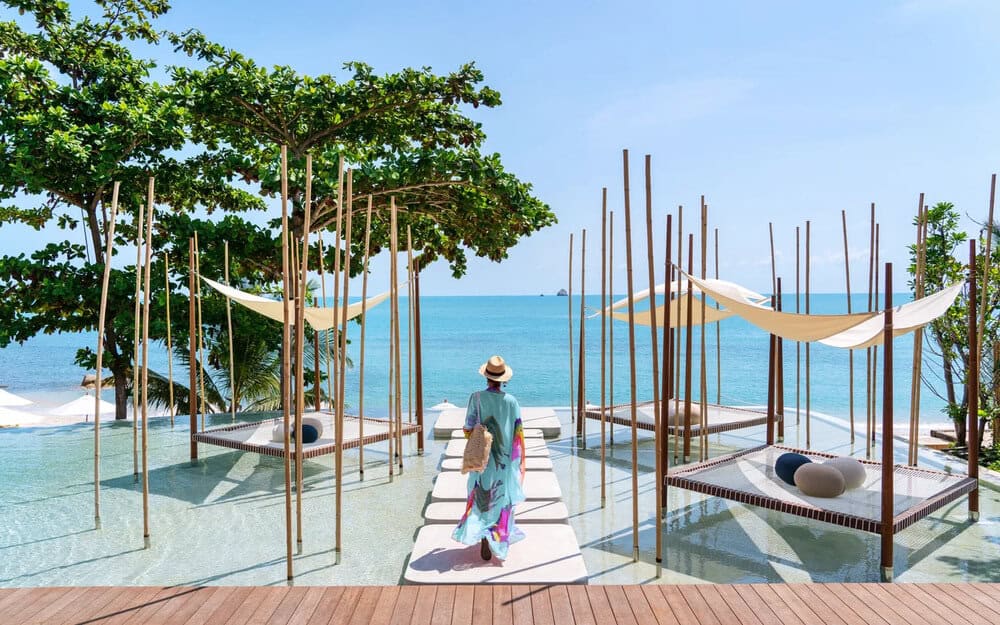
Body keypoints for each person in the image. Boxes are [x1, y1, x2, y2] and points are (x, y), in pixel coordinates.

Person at [452, 355, 526, 561]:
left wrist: (475, 432)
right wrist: (520, 463)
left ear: (486, 377)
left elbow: (468, 429)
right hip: (503, 463)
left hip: (481, 462)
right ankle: (496, 537)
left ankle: (482, 536)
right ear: (504, 379)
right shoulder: (512, 402)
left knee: (480, 498)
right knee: (501, 498)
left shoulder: (476, 398)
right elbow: (518, 436)